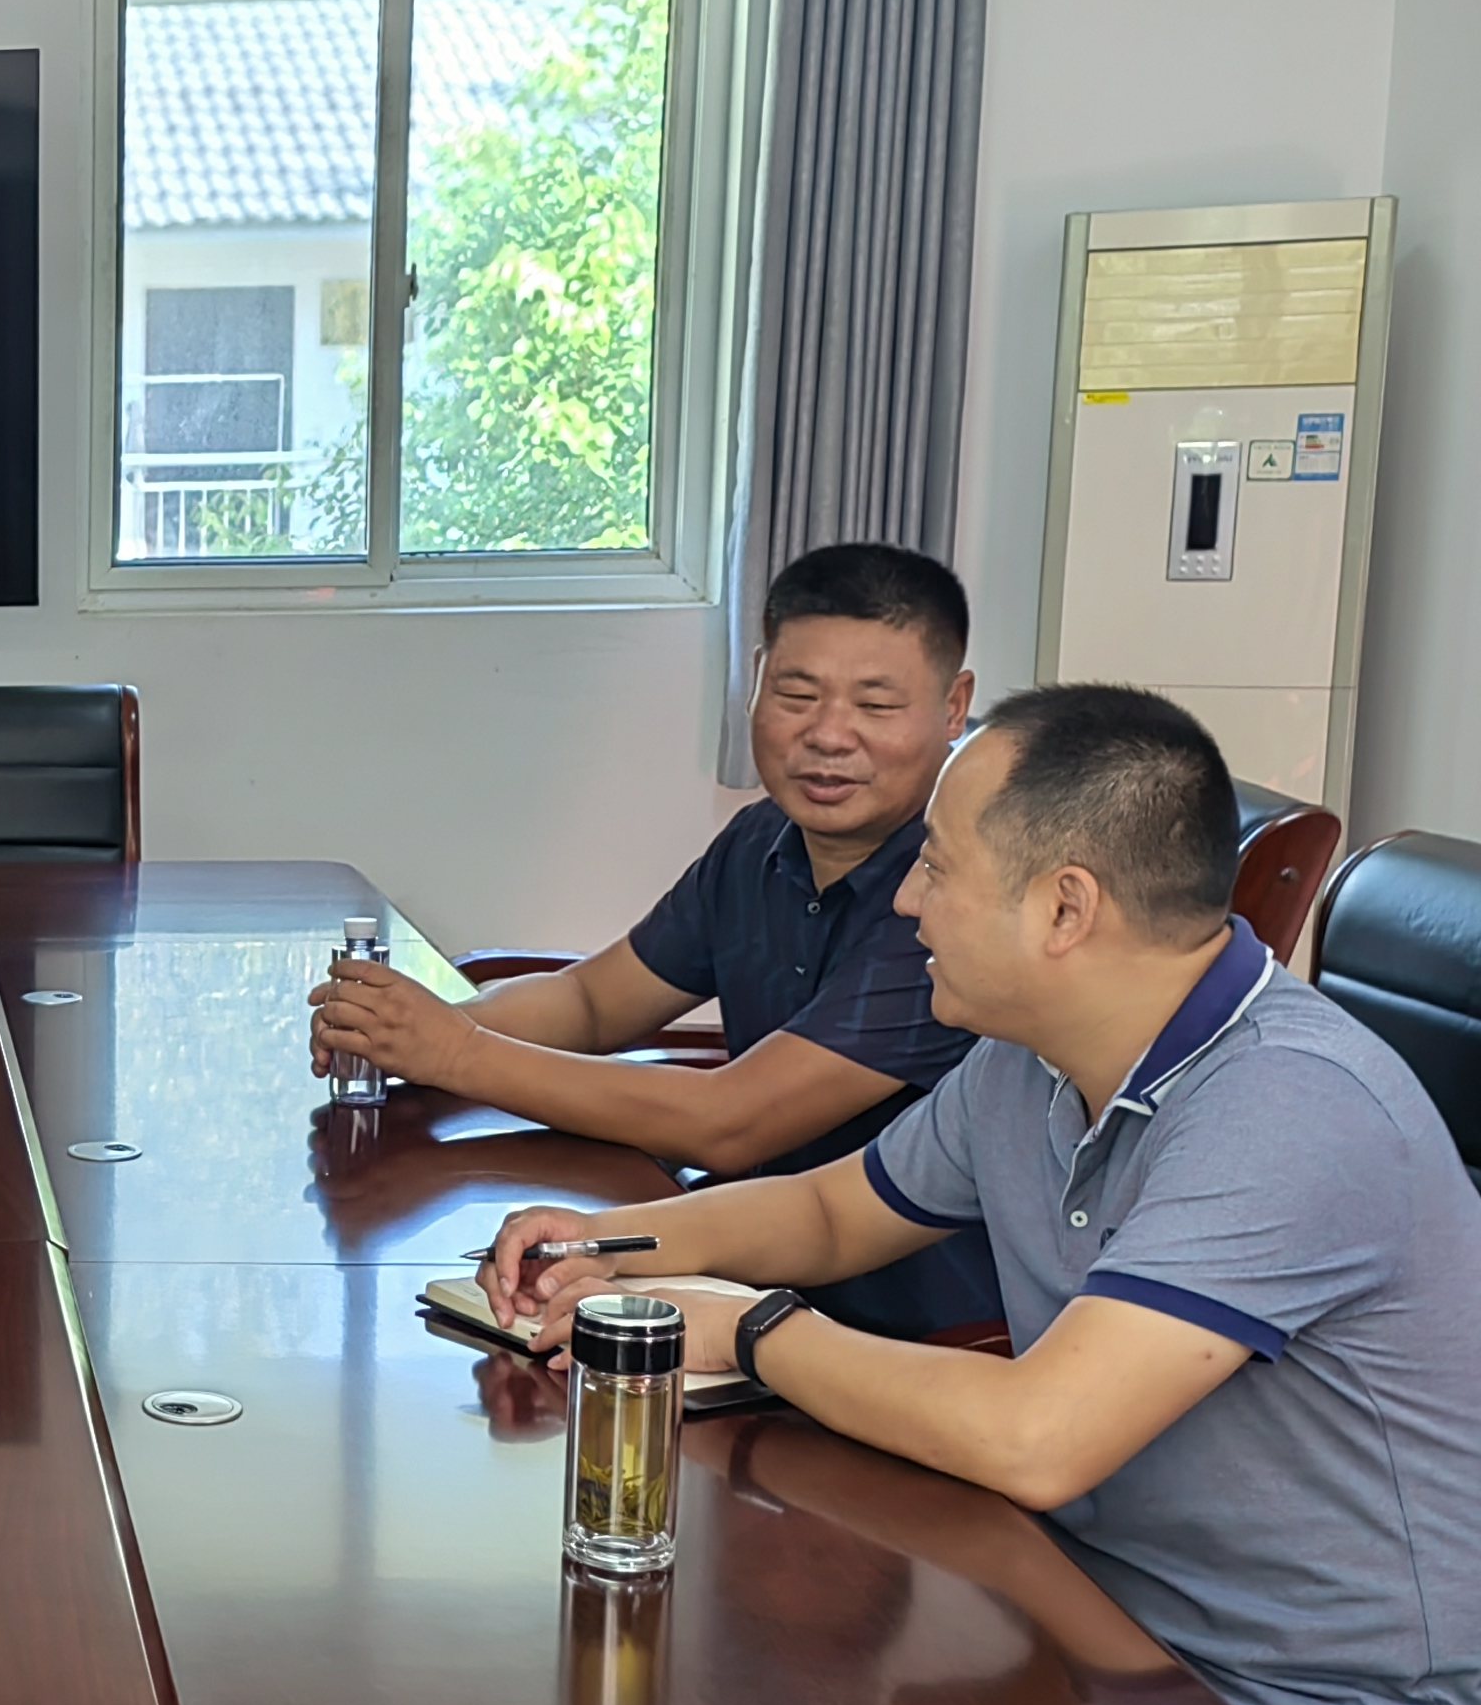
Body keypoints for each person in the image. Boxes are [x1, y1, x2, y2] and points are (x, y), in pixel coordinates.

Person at [481, 684, 1481, 1705]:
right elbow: (832, 1210)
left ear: (1064, 908)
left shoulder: (1289, 1110)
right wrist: (610, 1241)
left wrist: (751, 1330)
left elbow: (1038, 1439)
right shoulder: (1033, 1060)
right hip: (1089, 1641)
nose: (907, 901)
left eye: (935, 866)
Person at [317, 541, 997, 1336]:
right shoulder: (758, 841)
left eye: (876, 707)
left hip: (909, 1332)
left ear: (954, 706)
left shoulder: (955, 899)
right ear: (755, 679)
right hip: (738, 1273)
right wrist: (405, 1034)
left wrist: (457, 1053)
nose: (828, 736)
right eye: (796, 694)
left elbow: (732, 1120)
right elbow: (592, 1001)